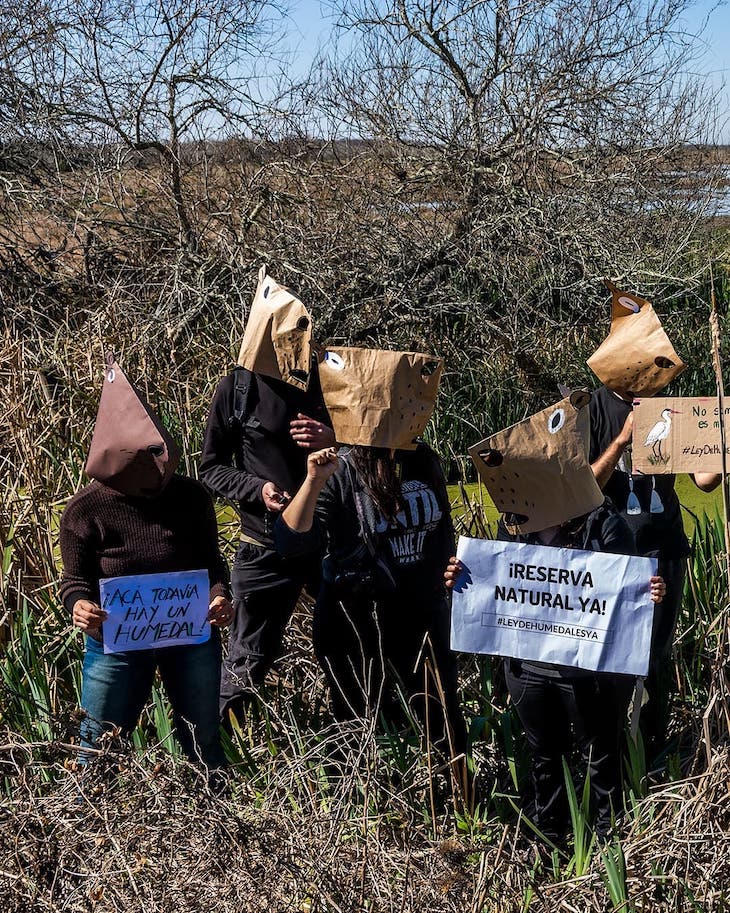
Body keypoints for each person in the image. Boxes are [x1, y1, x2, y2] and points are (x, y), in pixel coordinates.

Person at [452, 394, 666, 841]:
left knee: (600, 754)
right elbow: (493, 585)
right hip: (528, 670)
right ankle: (545, 842)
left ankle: (606, 842)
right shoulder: (512, 526)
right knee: (544, 756)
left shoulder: (601, 522)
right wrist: (458, 577)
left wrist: (650, 592)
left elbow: (624, 586)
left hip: (584, 672)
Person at [274, 347, 467, 762]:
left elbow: (442, 533)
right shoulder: (340, 470)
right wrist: (311, 481)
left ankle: (458, 811)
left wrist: (453, 568)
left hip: (423, 617)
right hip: (356, 621)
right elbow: (290, 541)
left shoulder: (425, 462)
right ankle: (366, 813)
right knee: (357, 727)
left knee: (444, 722)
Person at [59, 357, 233, 773]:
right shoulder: (84, 511)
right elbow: (74, 581)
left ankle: (217, 825)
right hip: (114, 640)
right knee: (97, 746)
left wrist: (220, 598)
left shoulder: (191, 497)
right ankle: (90, 826)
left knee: (203, 739)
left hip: (189, 633)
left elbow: (212, 565)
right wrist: (80, 607)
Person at [586, 281, 720, 753]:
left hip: (664, 549)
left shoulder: (671, 407)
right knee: (611, 657)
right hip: (612, 554)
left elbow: (703, 481)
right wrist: (621, 441)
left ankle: (654, 747)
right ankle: (612, 750)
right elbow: (584, 488)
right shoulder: (594, 409)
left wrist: (721, 448)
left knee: (655, 656)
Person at [200, 268, 334, 722]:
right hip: (265, 545)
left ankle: (359, 740)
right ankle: (222, 760)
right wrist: (256, 489)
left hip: (327, 542)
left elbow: (372, 447)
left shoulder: (326, 381)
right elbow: (210, 468)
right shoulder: (237, 388)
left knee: (347, 643)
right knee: (246, 660)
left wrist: (331, 434)